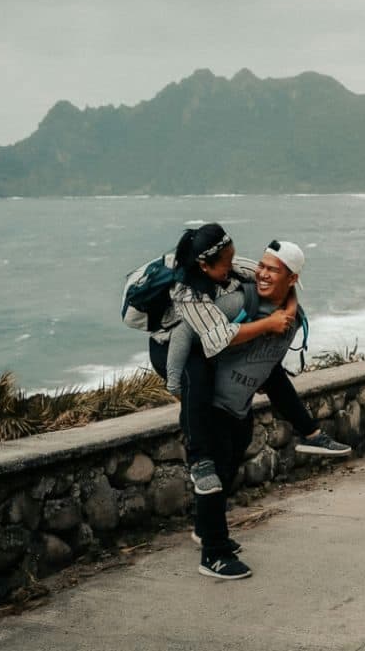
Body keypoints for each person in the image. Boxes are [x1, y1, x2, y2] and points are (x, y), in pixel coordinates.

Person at [180, 239, 351, 580]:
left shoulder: (288, 312)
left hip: (238, 408)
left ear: (292, 278)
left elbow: (268, 368)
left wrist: (287, 310)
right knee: (211, 473)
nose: (262, 273)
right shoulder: (236, 299)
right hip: (207, 405)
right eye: (261, 265)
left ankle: (207, 532)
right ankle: (212, 554)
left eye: (273, 269)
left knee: (225, 474)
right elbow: (194, 340)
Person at [148, 223, 297, 496]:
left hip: (205, 338)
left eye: (233, 256)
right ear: (205, 266)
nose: (233, 265)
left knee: (268, 379)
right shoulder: (187, 293)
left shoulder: (229, 264)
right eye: (226, 263)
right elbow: (219, 338)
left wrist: (289, 309)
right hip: (171, 343)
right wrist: (269, 324)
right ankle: (199, 461)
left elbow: (281, 284)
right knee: (197, 384)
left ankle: (309, 431)